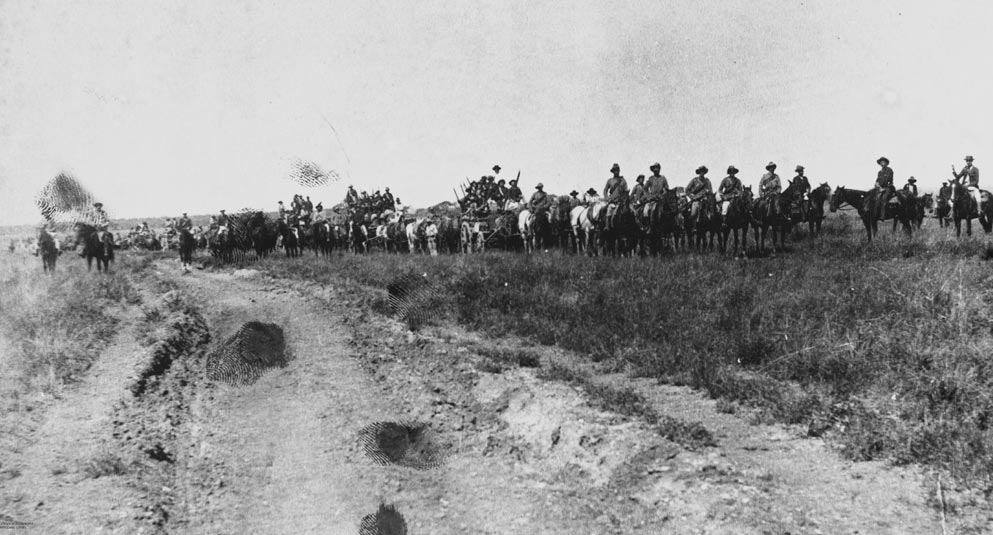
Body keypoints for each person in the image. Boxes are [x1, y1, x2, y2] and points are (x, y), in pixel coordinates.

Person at [603, 163, 628, 230]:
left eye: (617, 170)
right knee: (608, 211)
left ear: (619, 171)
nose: (616, 171)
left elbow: (625, 191)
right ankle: (607, 226)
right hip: (612, 202)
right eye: (614, 170)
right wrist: (607, 198)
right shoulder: (610, 180)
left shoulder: (623, 180)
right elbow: (605, 190)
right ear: (613, 172)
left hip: (621, 202)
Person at [875, 156, 894, 221]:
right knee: (874, 198)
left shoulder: (889, 170)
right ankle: (875, 214)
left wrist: (883, 188)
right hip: (880, 188)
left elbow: (888, 180)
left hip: (888, 187)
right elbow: (877, 181)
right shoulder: (879, 172)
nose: (882, 163)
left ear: (886, 163)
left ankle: (883, 216)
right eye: (881, 162)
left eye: (883, 162)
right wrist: (877, 185)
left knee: (883, 199)